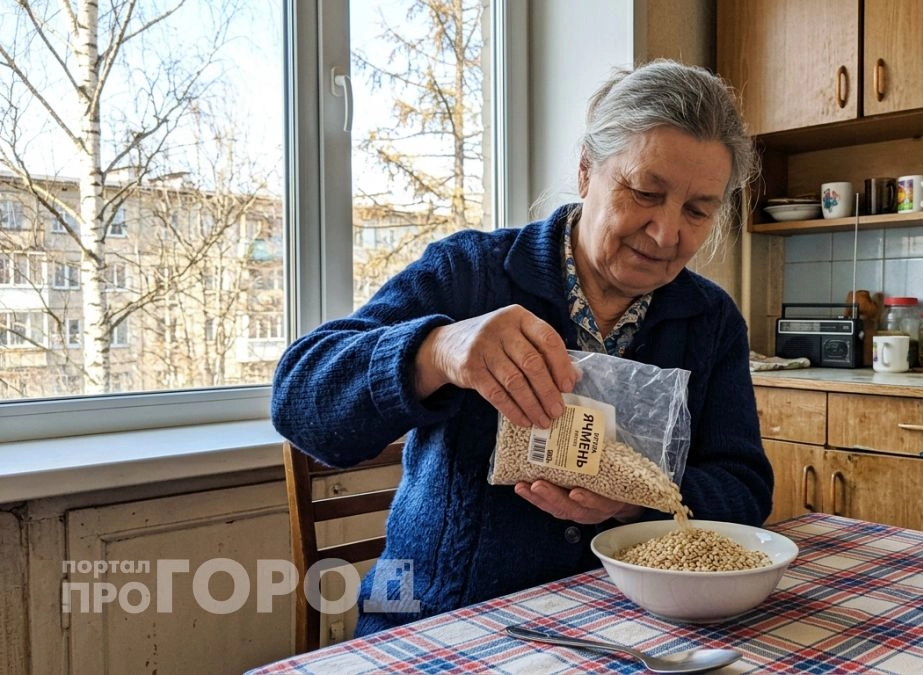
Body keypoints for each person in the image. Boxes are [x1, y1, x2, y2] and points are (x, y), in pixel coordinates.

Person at [271, 58, 774, 636]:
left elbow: (745, 489)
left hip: (623, 632)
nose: (666, 234)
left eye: (696, 210)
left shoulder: (710, 322)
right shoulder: (471, 272)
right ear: (587, 172)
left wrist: (633, 502)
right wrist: (435, 350)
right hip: (440, 622)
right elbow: (299, 402)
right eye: (643, 192)